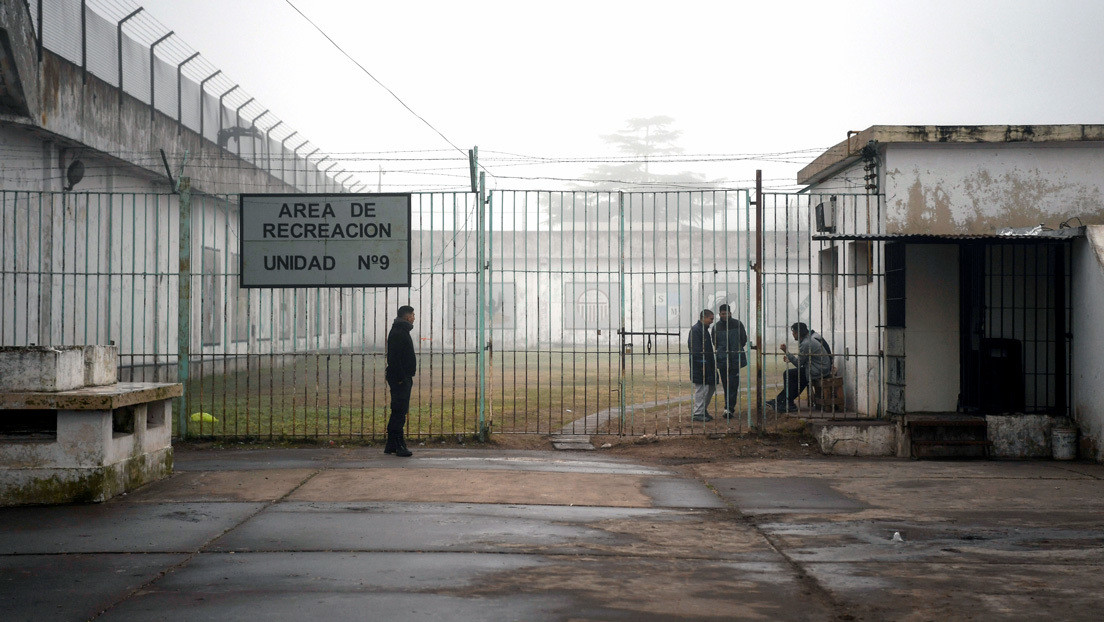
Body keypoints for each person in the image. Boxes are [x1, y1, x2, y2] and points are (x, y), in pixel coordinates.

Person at [766, 322, 831, 413]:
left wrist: (786, 352)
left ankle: (786, 401)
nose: (793, 335)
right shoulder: (807, 341)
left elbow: (798, 363)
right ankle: (783, 400)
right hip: (817, 368)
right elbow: (803, 360)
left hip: (818, 370)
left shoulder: (806, 343)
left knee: (796, 377)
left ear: (798, 333)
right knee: (789, 374)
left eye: (794, 333)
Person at [384, 305, 417, 457]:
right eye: (412, 315)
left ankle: (391, 444)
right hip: (400, 379)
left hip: (401, 377)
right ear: (406, 317)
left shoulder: (399, 330)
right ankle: (399, 445)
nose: (414, 317)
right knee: (399, 411)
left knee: (398, 410)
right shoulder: (399, 332)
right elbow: (394, 359)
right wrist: (401, 378)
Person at [712, 304, 748, 419]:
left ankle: (729, 408)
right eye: (723, 314)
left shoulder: (738, 324)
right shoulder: (716, 327)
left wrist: (735, 349)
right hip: (723, 360)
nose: (725, 315)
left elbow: (743, 339)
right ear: (719, 314)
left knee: (733, 384)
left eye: (727, 313)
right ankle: (728, 407)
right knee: (726, 384)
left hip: (735, 360)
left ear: (730, 313)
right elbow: (715, 342)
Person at [687, 309, 717, 422]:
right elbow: (695, 350)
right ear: (704, 317)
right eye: (711, 319)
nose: (712, 321)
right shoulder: (696, 330)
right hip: (700, 366)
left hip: (707, 365)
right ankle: (698, 413)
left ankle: (702, 409)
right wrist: (702, 363)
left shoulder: (703, 330)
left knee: (711, 387)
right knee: (702, 389)